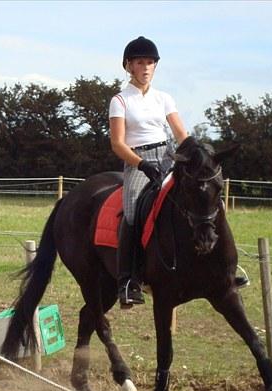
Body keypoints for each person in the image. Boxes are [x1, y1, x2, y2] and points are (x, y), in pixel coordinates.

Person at [109, 36, 188, 308]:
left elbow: (180, 133)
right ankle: (127, 281)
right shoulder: (120, 100)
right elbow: (117, 143)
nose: (145, 67)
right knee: (132, 211)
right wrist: (141, 164)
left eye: (150, 62)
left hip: (166, 155)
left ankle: (220, 266)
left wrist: (193, 154)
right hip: (138, 161)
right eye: (140, 62)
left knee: (201, 195)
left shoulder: (163, 98)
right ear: (128, 66)